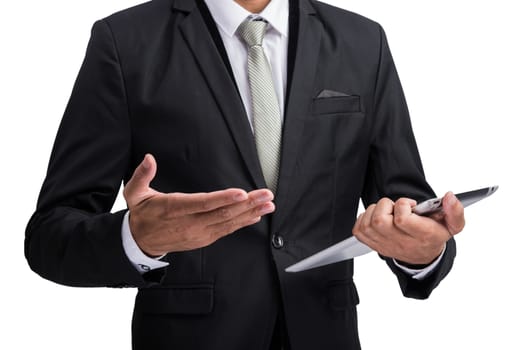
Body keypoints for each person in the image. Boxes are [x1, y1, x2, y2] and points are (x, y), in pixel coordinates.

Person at [25, 0, 465, 349]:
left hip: (325, 335)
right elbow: (49, 237)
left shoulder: (363, 42)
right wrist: (136, 238)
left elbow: (406, 205)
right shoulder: (124, 42)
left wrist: (420, 252)